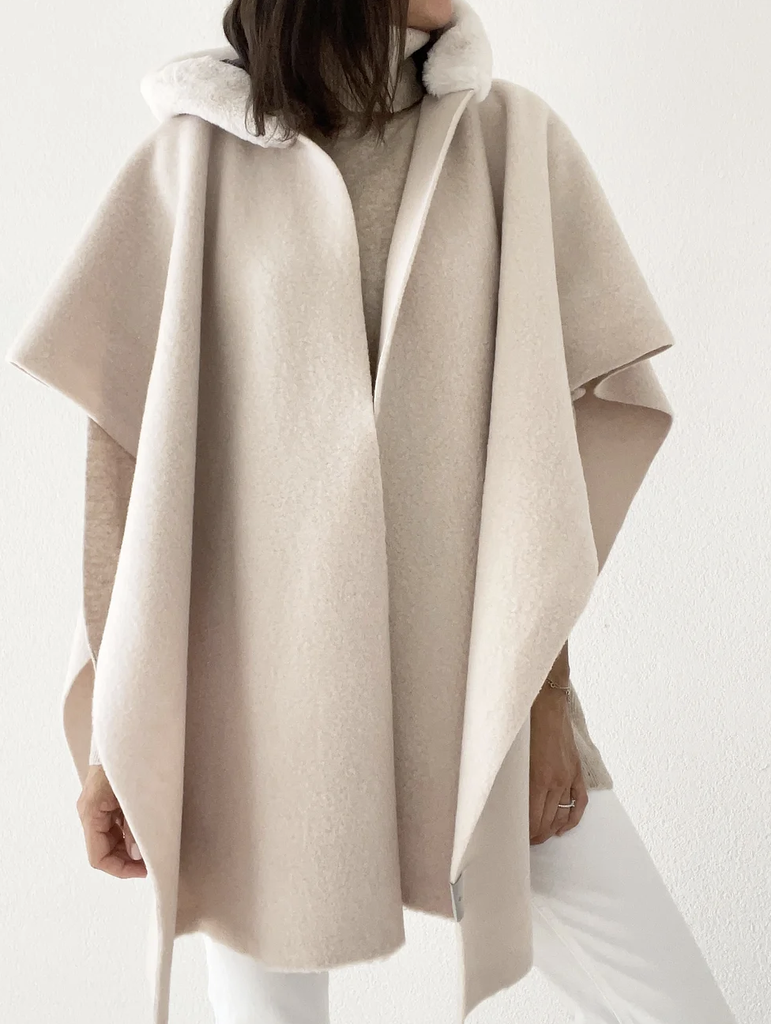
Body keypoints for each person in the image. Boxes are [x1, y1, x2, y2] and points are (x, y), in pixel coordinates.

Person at [7, 1, 738, 1022]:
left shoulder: (507, 141)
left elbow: (553, 450)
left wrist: (546, 691)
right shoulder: (192, 163)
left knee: (676, 1003)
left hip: (475, 680)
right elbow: (136, 476)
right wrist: (115, 741)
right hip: (250, 708)